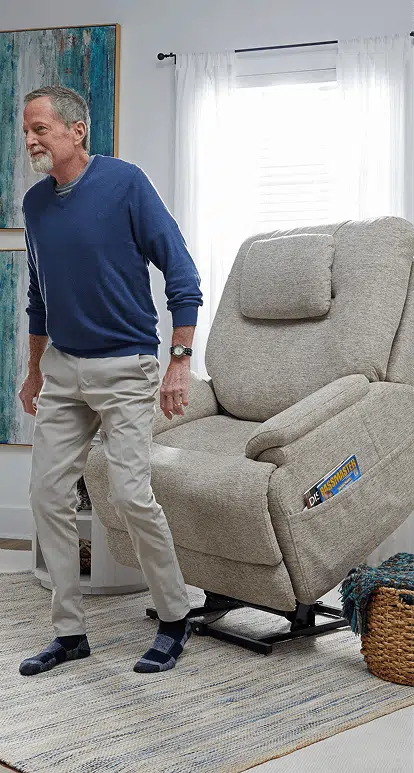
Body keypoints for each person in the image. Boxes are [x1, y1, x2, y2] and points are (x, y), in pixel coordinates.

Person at [18, 85, 203, 677]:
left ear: (76, 130)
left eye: (41, 129)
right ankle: (69, 632)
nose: (30, 140)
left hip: (126, 367)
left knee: (129, 494)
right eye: (26, 130)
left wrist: (179, 360)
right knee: (46, 494)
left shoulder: (125, 183)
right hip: (63, 368)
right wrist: (33, 371)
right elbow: (38, 297)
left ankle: (174, 617)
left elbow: (181, 270)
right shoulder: (35, 204)